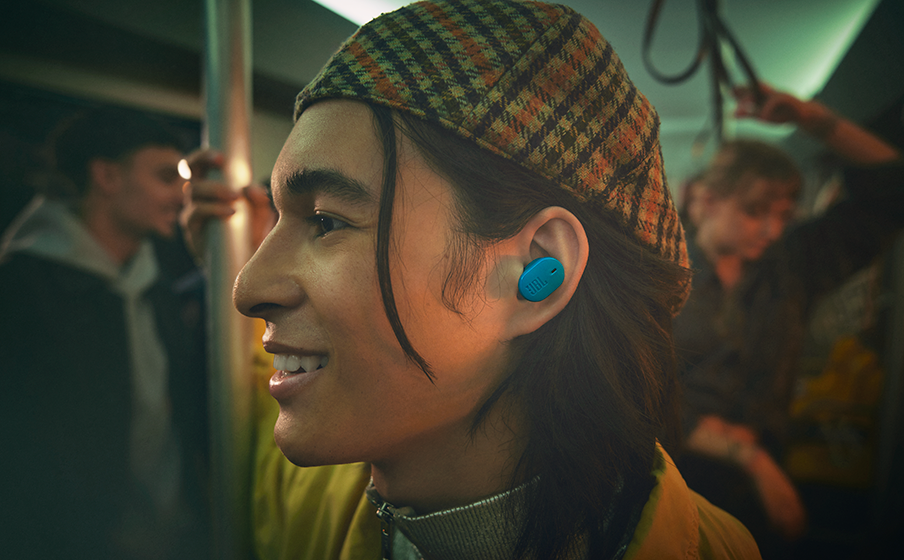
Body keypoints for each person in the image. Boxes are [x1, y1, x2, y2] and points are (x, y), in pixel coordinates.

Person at [186, 1, 762, 558]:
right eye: (279, 220)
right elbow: (252, 409)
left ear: (537, 269)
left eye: (326, 222)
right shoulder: (315, 499)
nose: (247, 288)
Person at [674, 84, 903, 557]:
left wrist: (814, 120)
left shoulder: (792, 266)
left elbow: (893, 193)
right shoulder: (662, 272)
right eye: (755, 212)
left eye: (782, 215)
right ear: (708, 199)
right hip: (674, 482)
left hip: (756, 496)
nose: (772, 230)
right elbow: (637, 395)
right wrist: (749, 457)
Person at [0, 107, 210, 558]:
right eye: (165, 177)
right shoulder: (20, 289)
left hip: (170, 535)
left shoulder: (155, 284)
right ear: (107, 176)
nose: (181, 197)